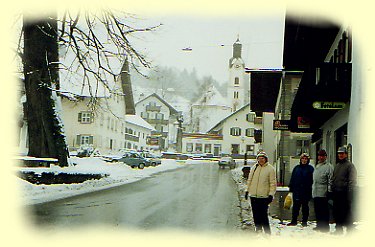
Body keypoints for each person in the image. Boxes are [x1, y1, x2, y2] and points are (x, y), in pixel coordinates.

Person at [244, 151, 276, 234]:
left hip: (264, 196)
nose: (261, 160)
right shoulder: (254, 168)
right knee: (255, 214)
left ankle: (267, 232)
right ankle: (258, 229)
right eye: (259, 158)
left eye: (263, 158)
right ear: (257, 159)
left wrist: (271, 194)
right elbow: (249, 180)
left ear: (266, 159)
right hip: (254, 195)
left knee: (263, 215)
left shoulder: (270, 169)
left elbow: (273, 183)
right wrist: (247, 190)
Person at [331, 146, 357, 234]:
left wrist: (349, 192)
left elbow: (352, 180)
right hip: (337, 193)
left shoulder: (350, 166)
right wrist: (332, 189)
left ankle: (350, 231)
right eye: (339, 153)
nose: (340, 155)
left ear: (346, 154)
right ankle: (338, 229)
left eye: (342, 153)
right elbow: (333, 178)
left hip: (345, 193)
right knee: (337, 212)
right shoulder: (337, 166)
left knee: (347, 213)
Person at [287, 153, 314, 227]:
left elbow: (313, 180)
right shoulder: (296, 168)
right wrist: (291, 187)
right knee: (295, 207)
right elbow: (293, 178)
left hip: (306, 191)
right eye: (303, 158)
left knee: (305, 207)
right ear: (300, 159)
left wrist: (311, 189)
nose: (304, 160)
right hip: (297, 191)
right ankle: (294, 221)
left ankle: (304, 221)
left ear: (308, 160)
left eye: (306, 159)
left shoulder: (310, 169)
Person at [312, 149, 334, 232]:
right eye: (319, 156)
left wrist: (329, 191)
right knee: (317, 210)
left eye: (322, 156)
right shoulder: (317, 166)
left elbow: (330, 180)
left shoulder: (329, 167)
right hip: (316, 192)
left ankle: (325, 227)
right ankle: (319, 225)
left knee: (324, 211)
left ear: (326, 157)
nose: (321, 157)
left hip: (323, 192)